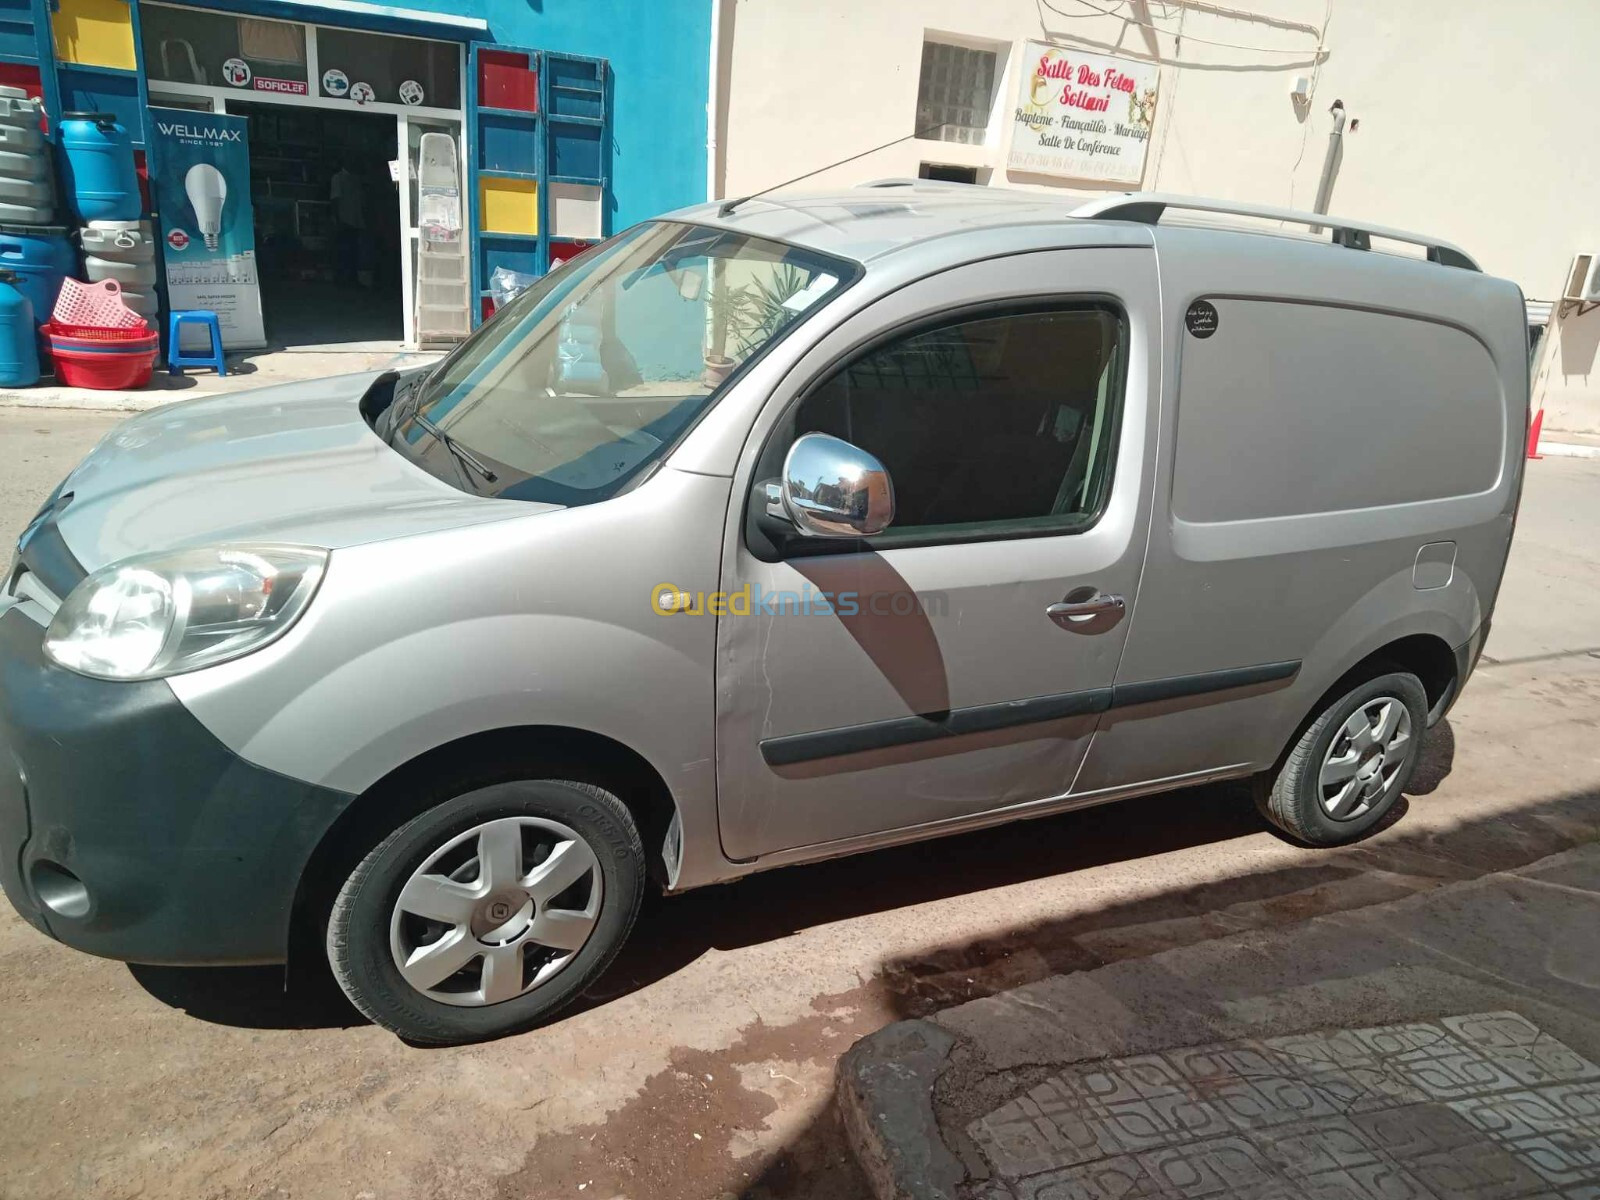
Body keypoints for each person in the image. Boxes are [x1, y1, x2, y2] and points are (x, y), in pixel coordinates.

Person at [329, 164, 365, 286]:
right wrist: (337, 218)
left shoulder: (356, 179)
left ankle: (351, 279)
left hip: (354, 220)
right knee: (344, 250)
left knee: (353, 251)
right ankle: (342, 279)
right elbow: (335, 199)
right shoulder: (338, 178)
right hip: (344, 220)